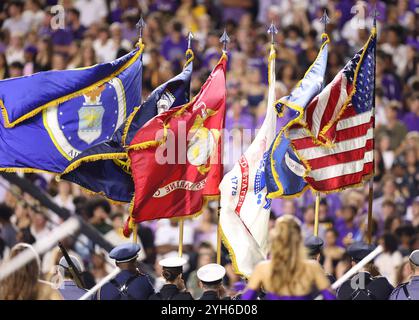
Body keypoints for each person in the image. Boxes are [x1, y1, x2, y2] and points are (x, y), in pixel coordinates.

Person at [242, 215, 335, 300]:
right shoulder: (312, 267)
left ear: (275, 240)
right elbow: (331, 298)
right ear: (299, 240)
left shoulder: (263, 268)